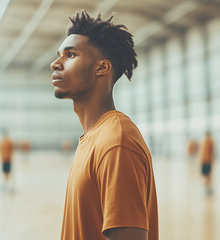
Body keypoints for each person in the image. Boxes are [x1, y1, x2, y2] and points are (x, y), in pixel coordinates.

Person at [50, 10, 158, 240]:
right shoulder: (94, 138)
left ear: (102, 68)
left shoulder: (116, 142)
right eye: (58, 55)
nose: (55, 64)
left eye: (70, 55)